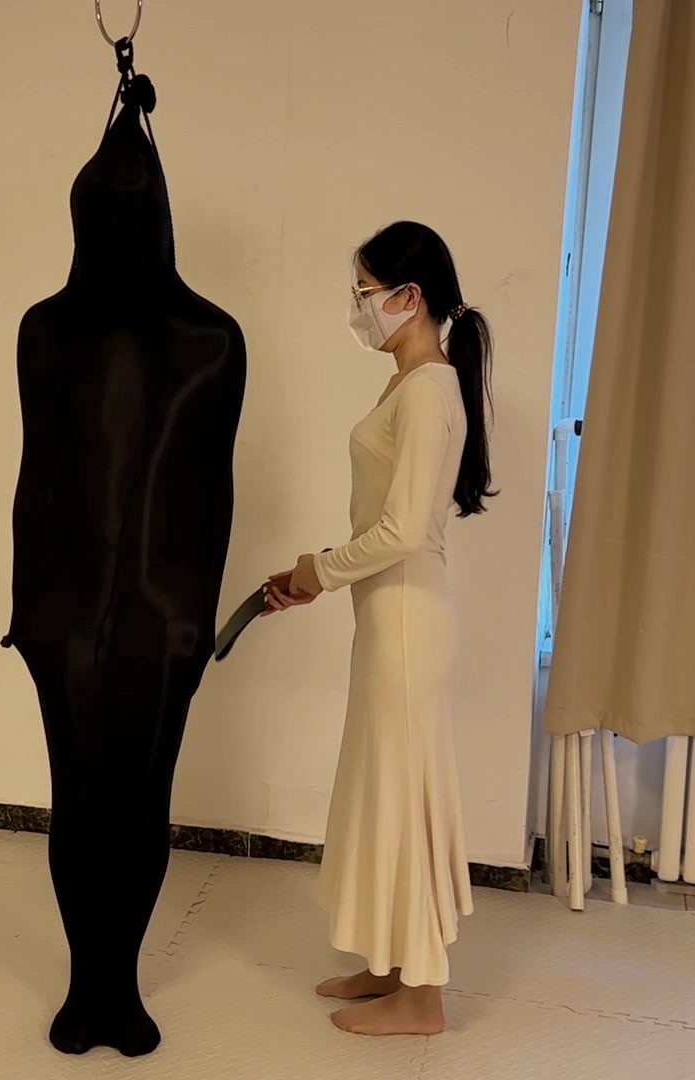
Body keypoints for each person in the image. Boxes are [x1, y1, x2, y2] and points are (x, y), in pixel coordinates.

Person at [264, 220, 496, 1036]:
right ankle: (391, 966)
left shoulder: (429, 389)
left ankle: (423, 997)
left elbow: (400, 531)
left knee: (403, 796)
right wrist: (321, 578)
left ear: (410, 296)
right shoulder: (410, 385)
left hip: (406, 621)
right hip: (387, 613)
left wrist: (318, 570)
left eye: (366, 292)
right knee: (382, 789)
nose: (358, 308)